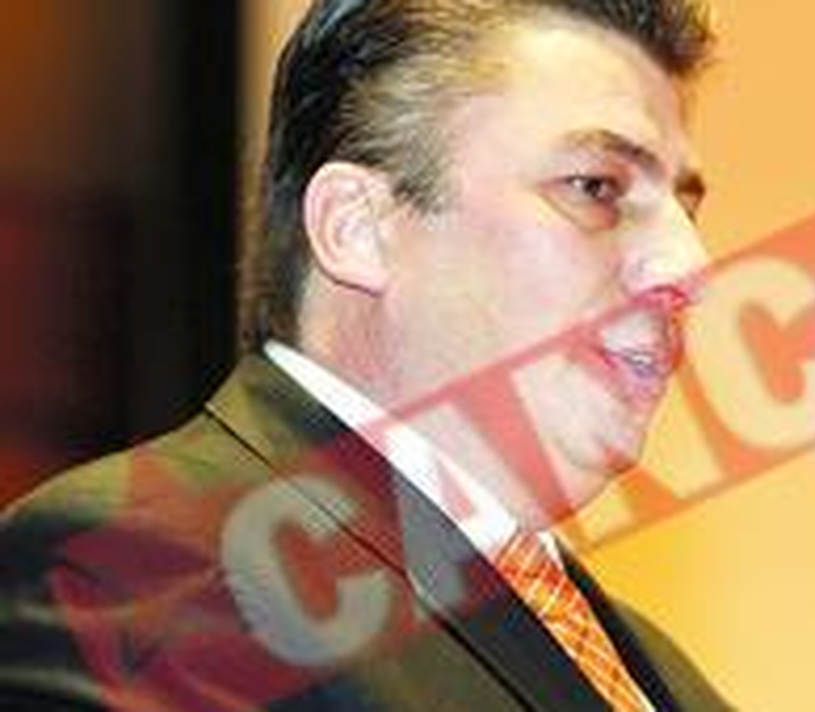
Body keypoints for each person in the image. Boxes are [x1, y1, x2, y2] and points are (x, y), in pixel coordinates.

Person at [0, 0, 733, 709]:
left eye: (686, 207)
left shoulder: (659, 671)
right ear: (358, 227)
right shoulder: (142, 576)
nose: (688, 265)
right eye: (595, 187)